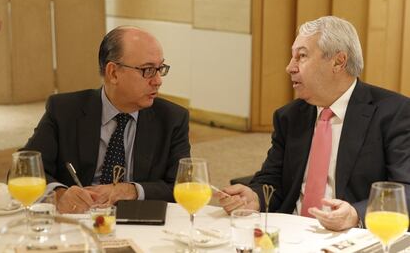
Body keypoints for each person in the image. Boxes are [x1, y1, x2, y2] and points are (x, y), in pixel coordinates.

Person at [216, 16, 410, 231]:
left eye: (301, 56)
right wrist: (255, 197)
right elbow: (273, 179)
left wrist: (356, 214)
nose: (290, 67)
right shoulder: (289, 116)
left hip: (352, 238)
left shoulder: (394, 113)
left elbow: (406, 190)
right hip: (292, 233)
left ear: (338, 61)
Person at [23, 26, 191, 213]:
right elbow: (24, 170)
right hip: (76, 221)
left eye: (160, 69)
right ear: (113, 73)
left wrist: (132, 190)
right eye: (148, 70)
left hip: (139, 220)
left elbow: (182, 186)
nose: (158, 80)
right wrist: (59, 194)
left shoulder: (172, 118)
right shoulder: (65, 110)